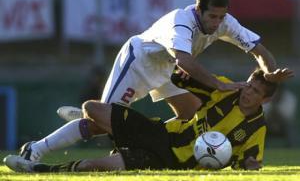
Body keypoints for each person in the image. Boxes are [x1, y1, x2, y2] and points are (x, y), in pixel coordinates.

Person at [57, 0, 293, 122]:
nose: (217, 22)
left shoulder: (226, 23)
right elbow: (185, 61)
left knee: (192, 117)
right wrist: (217, 84)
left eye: (221, 16)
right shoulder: (180, 21)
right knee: (101, 123)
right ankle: (36, 151)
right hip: (141, 62)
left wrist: (269, 74)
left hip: (169, 68)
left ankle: (157, 142)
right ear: (198, 10)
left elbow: (261, 52)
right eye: (212, 16)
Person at [4, 68, 277, 172]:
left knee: (93, 166)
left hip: (169, 163)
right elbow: (183, 79)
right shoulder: (227, 91)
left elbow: (248, 163)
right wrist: (192, 75)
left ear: (264, 100)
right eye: (249, 87)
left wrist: (252, 165)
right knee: (92, 107)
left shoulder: (256, 128)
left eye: (256, 93)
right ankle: (102, 126)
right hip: (160, 134)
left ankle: (40, 170)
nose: (248, 94)